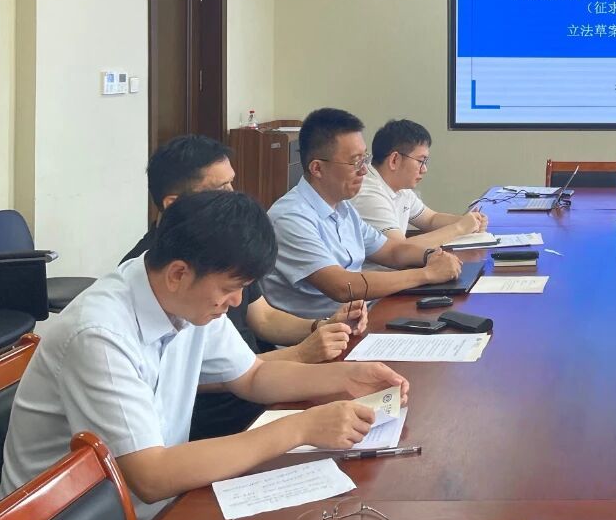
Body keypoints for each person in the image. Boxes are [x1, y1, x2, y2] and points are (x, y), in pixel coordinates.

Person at [1, 191, 409, 520]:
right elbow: (152, 476)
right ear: (179, 273)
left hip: (149, 508)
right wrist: (300, 428)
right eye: (231, 288)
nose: (236, 301)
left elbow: (251, 376)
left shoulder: (183, 296)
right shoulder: (100, 334)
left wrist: (347, 377)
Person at [121, 134, 368, 440]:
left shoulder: (220, 252)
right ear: (173, 205)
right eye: (219, 189)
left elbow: (262, 319)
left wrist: (321, 326)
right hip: (217, 418)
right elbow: (193, 378)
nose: (232, 196)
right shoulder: (159, 278)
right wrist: (301, 354)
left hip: (255, 391)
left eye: (232, 183)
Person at [262, 107, 463, 318]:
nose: (364, 170)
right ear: (317, 168)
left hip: (362, 316)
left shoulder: (343, 207)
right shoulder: (291, 217)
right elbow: (343, 286)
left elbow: (392, 251)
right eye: (355, 162)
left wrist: (431, 256)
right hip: (321, 330)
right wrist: (427, 274)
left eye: (364, 158)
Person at [351, 118, 488, 246]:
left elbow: (430, 219)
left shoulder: (400, 188)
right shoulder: (369, 194)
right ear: (394, 160)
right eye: (421, 161)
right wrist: (460, 228)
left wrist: (469, 221)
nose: (424, 169)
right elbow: (399, 249)